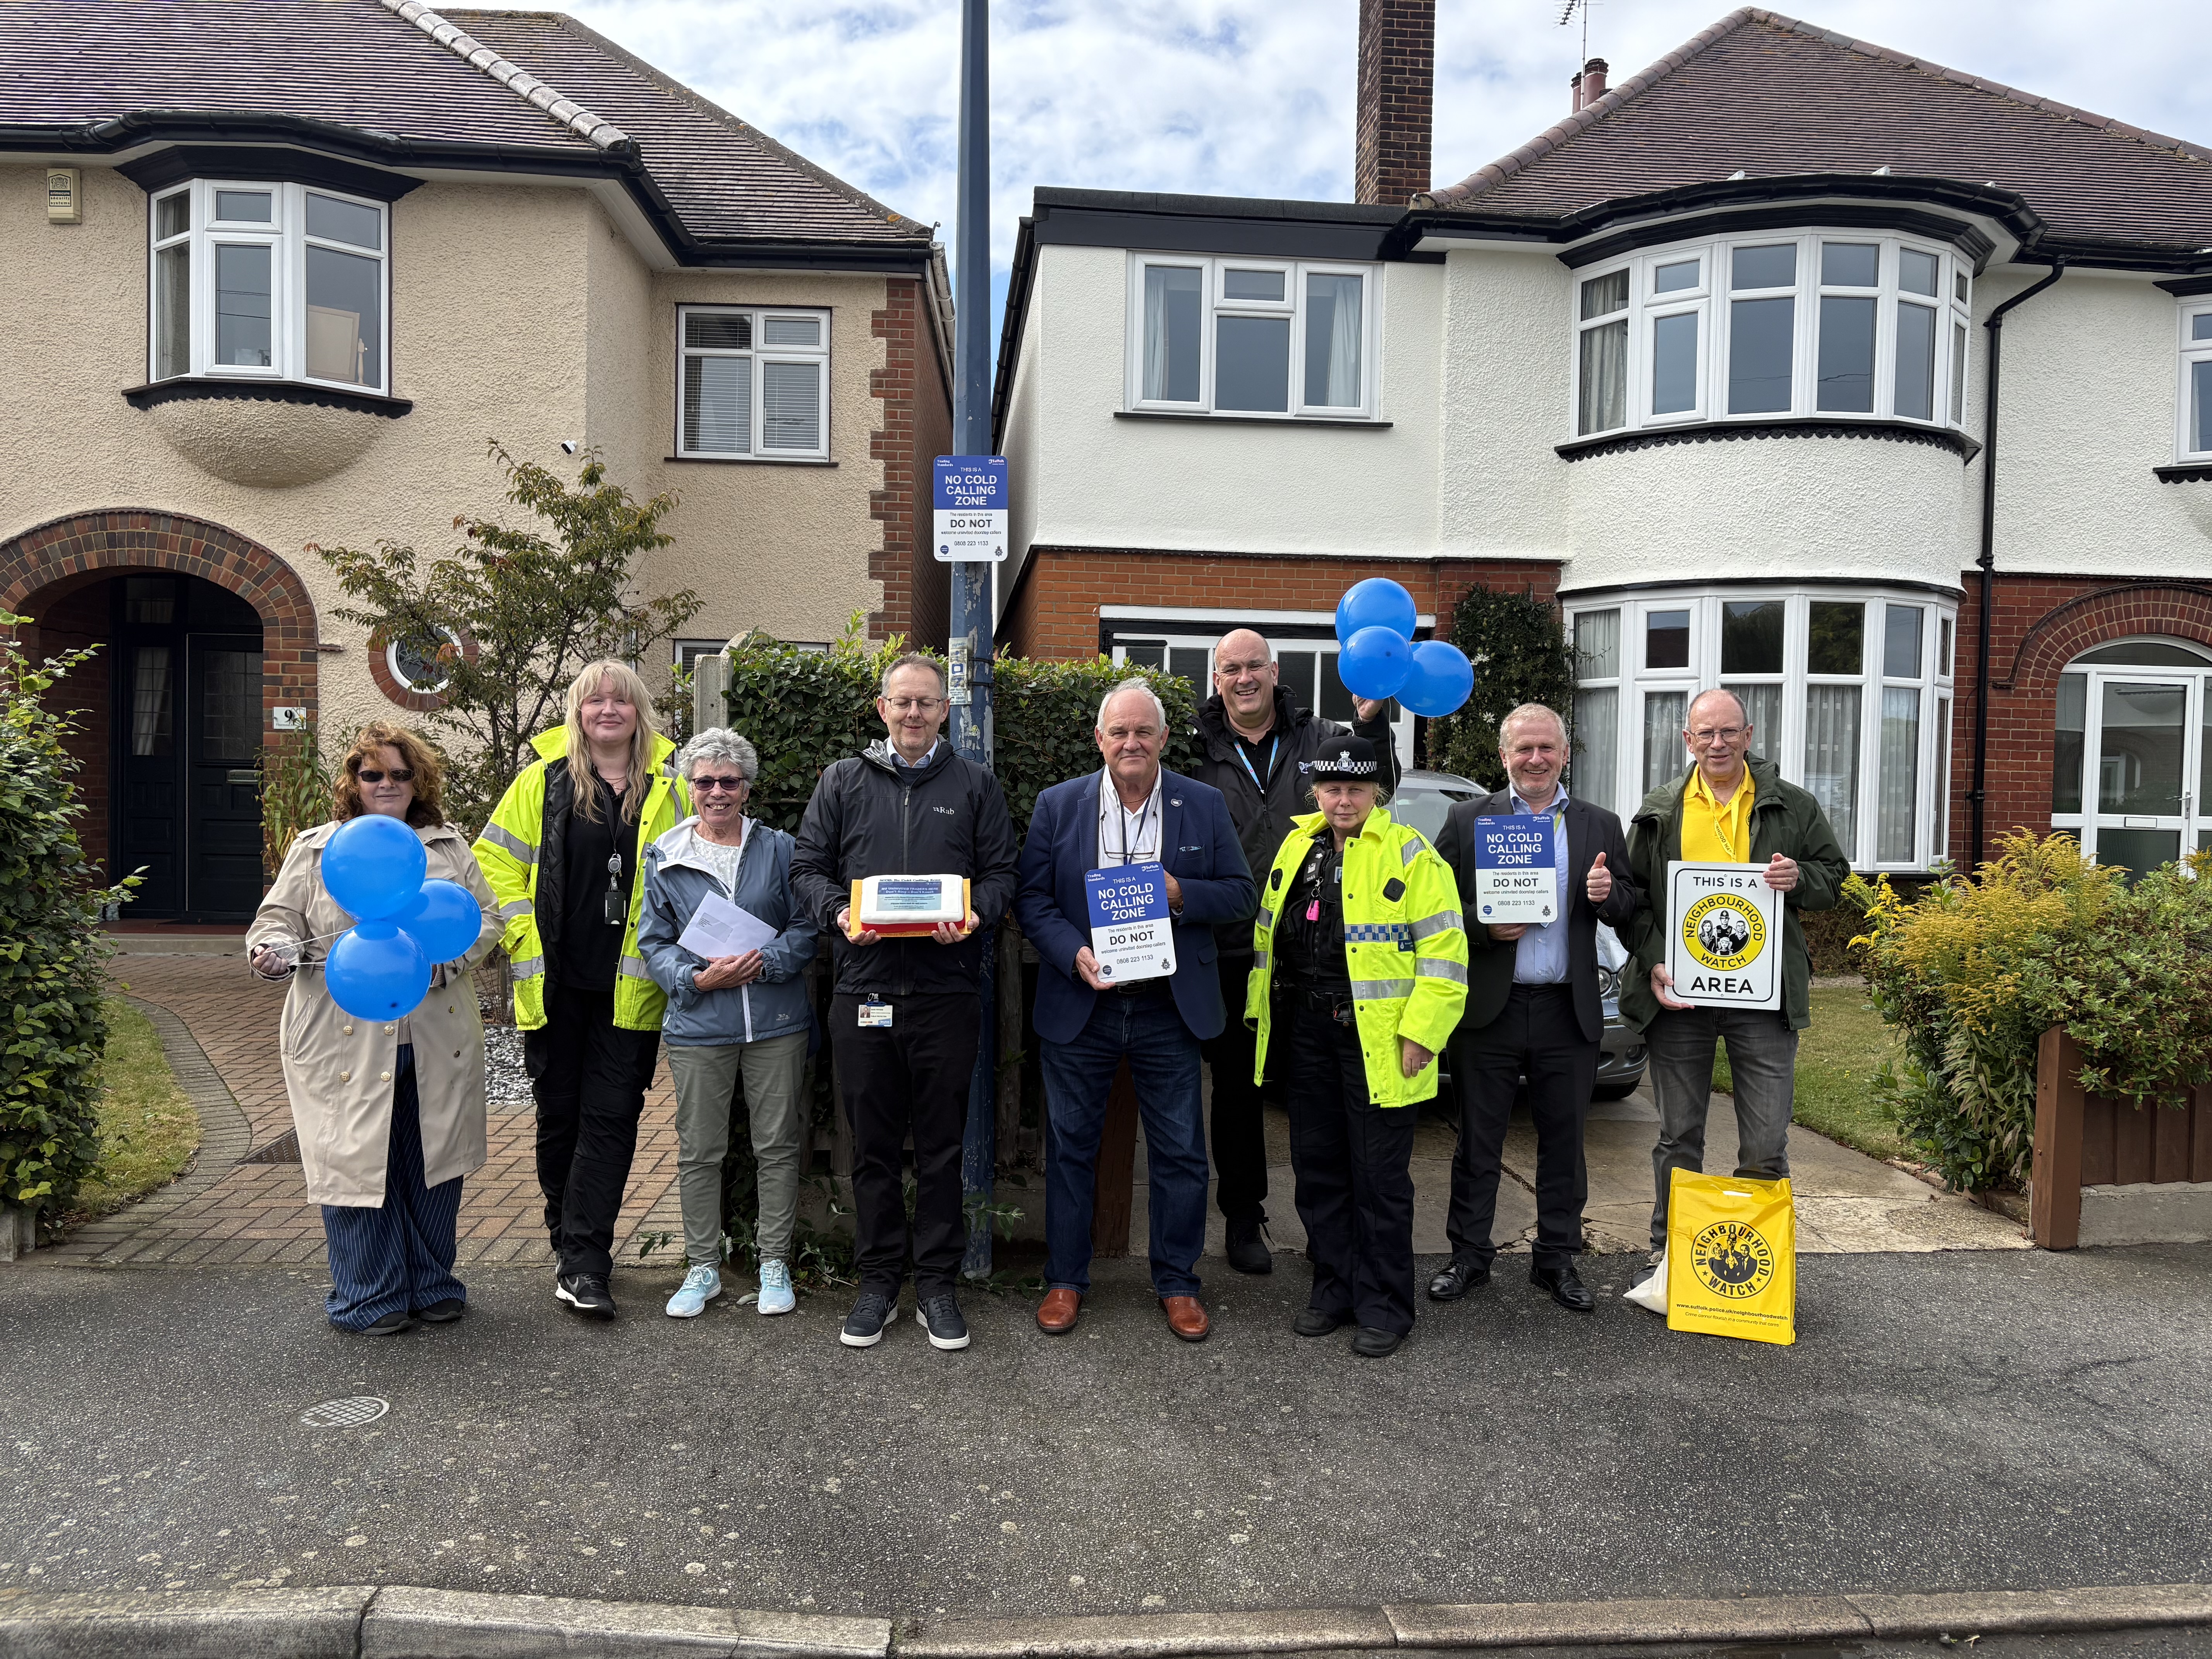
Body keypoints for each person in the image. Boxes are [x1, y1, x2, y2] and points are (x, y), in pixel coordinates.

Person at [790, 653, 1020, 1352]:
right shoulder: (842, 781)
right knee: (874, 1148)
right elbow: (807, 868)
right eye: (903, 702)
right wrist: (839, 915)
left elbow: (1003, 873)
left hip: (946, 993)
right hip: (864, 989)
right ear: (882, 708)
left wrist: (976, 914)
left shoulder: (976, 785)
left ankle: (939, 1286)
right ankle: (880, 1281)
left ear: (945, 710)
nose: (914, 713)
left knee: (944, 1147)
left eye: (926, 702)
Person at [1015, 679, 1257, 1342]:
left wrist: (1181, 894)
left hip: (1166, 1007)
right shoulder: (1059, 805)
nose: (1131, 743)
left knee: (1180, 1153)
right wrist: (1072, 952)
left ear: (1163, 739)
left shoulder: (1201, 804)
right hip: (1084, 1002)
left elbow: (1241, 894)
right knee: (1071, 1149)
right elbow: (1032, 899)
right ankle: (1066, 1279)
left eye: (1143, 732)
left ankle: (1178, 1283)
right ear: (1100, 740)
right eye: (1119, 732)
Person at [247, 723, 501, 1334]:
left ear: (420, 782)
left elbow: (487, 919)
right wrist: (270, 951)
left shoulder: (448, 847)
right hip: (342, 1038)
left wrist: (443, 964)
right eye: (373, 774)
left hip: (435, 1036)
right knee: (356, 1166)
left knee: (433, 1166)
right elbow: (276, 920)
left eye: (401, 774)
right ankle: (370, 1296)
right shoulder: (318, 848)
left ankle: (432, 1285)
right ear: (353, 782)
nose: (387, 784)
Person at [475, 660, 690, 1321]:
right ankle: (568, 1243)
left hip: (633, 989)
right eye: (594, 700)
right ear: (577, 711)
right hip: (556, 984)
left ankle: (587, 1262)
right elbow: (492, 863)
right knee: (560, 1119)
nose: (608, 710)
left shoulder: (671, 787)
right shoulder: (542, 782)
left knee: (612, 1119)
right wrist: (522, 935)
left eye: (620, 700)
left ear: (639, 711)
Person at [1245, 735, 1467, 1358]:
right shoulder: (1298, 847)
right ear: (1316, 792)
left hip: (1379, 1039)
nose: (1343, 800)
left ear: (1377, 794)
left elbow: (1446, 955)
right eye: (1333, 789)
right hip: (1306, 1032)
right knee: (1318, 1173)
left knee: (1379, 1180)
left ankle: (1385, 1307)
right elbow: (1268, 940)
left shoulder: (1412, 853)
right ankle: (1334, 1290)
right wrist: (1260, 1017)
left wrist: (1423, 1034)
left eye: (1356, 790)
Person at [1620, 687, 1851, 1281]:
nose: (1717, 743)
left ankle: (1754, 1268)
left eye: (1729, 732)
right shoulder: (1661, 809)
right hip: (1682, 1000)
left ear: (1749, 736)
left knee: (1766, 1144)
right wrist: (1654, 960)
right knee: (1678, 1138)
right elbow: (1634, 901)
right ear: (1687, 740)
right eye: (1706, 733)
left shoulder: (1791, 806)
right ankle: (1670, 1255)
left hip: (1763, 1002)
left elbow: (1834, 877)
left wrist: (1800, 878)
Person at [1192, 630, 1397, 1275]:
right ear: (1217, 678)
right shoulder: (1195, 747)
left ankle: (1325, 1229)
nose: (1244, 678)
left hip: (1316, 952)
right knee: (1237, 1090)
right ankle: (1243, 1215)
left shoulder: (1320, 737)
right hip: (1231, 949)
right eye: (1231, 668)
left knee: (1318, 1093)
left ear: (1275, 671)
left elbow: (1378, 786)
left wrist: (1373, 723)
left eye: (1255, 665)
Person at [1429, 704, 1640, 1313]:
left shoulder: (1600, 824)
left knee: (1565, 1141)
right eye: (1524, 748)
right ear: (1504, 756)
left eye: (1547, 747)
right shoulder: (1468, 819)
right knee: (1478, 1140)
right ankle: (1469, 1256)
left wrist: (1608, 896)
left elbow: (1631, 904)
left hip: (1566, 1009)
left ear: (1565, 754)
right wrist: (1483, 928)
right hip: (1490, 1010)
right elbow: (1434, 909)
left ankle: (1556, 1259)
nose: (1536, 759)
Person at [637, 728, 820, 1321]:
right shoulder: (665, 855)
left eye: (729, 781)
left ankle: (775, 1263)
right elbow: (653, 941)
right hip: (699, 1027)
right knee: (700, 1151)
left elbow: (807, 926)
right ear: (689, 788)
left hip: (776, 1022)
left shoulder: (781, 849)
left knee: (778, 1146)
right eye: (705, 782)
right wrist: (696, 980)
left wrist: (767, 961)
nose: (717, 792)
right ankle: (702, 1267)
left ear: (746, 788)